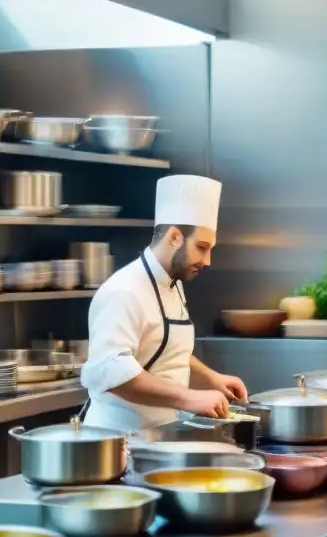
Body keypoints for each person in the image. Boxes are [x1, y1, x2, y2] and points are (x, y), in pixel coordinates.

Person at [80, 174, 249, 432]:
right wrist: (190, 397)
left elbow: (165, 346)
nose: (207, 261)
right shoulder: (124, 290)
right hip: (119, 441)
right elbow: (112, 373)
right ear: (174, 238)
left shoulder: (173, 282)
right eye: (202, 247)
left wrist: (212, 379)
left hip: (160, 435)